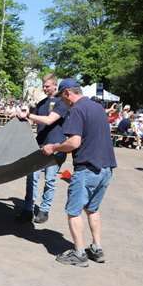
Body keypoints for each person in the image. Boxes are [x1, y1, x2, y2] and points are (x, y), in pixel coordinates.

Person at [40, 78, 117, 267]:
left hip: (87, 168)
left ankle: (79, 253)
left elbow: (74, 142)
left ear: (67, 93)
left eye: (62, 97)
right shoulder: (97, 107)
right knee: (92, 209)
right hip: (106, 168)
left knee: (73, 211)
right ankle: (97, 248)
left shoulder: (76, 109)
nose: (62, 101)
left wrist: (54, 147)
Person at [16, 74, 69, 224]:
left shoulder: (62, 103)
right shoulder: (42, 103)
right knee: (31, 178)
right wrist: (21, 116)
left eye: (47, 86)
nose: (44, 88)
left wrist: (29, 115)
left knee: (50, 180)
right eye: (43, 86)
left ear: (55, 85)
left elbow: (49, 120)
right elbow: (34, 121)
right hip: (39, 145)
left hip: (55, 147)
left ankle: (44, 210)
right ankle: (28, 209)